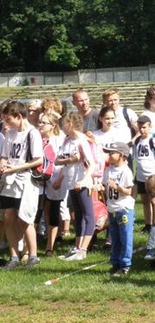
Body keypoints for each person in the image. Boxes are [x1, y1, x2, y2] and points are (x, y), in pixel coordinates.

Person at [0, 101, 44, 269]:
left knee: (25, 218)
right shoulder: (9, 134)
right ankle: (14, 257)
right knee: (9, 217)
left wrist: (16, 167)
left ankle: (32, 255)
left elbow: (38, 160)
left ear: (19, 116)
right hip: (9, 181)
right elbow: (4, 155)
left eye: (9, 119)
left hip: (25, 180)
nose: (6, 123)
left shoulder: (32, 133)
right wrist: (3, 163)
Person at [57, 112, 95, 261]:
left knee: (88, 215)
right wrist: (71, 159)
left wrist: (84, 180)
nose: (62, 127)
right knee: (77, 216)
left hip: (82, 183)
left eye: (64, 124)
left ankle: (84, 249)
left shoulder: (82, 141)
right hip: (71, 182)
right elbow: (58, 161)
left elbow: (92, 163)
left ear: (70, 124)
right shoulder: (66, 141)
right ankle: (77, 247)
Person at [102, 142, 135, 277]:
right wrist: (101, 188)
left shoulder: (125, 171)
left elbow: (128, 191)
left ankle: (125, 265)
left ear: (121, 155)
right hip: (112, 208)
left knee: (125, 237)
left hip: (123, 208)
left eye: (112, 153)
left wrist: (117, 188)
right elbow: (105, 187)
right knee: (114, 237)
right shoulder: (108, 170)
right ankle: (115, 262)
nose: (109, 156)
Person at [39, 110, 65, 257]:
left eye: (44, 122)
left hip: (55, 180)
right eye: (40, 122)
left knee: (53, 211)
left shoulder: (58, 140)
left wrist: (60, 179)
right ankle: (47, 237)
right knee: (45, 210)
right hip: (41, 181)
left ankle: (50, 246)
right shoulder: (37, 138)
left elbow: (62, 162)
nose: (41, 125)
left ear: (53, 125)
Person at [132, 115, 155, 233]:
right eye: (140, 128)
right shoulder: (138, 140)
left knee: (154, 200)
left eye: (144, 127)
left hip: (152, 174)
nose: (142, 130)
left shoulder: (153, 140)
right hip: (141, 175)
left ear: (149, 127)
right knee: (145, 200)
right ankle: (148, 224)